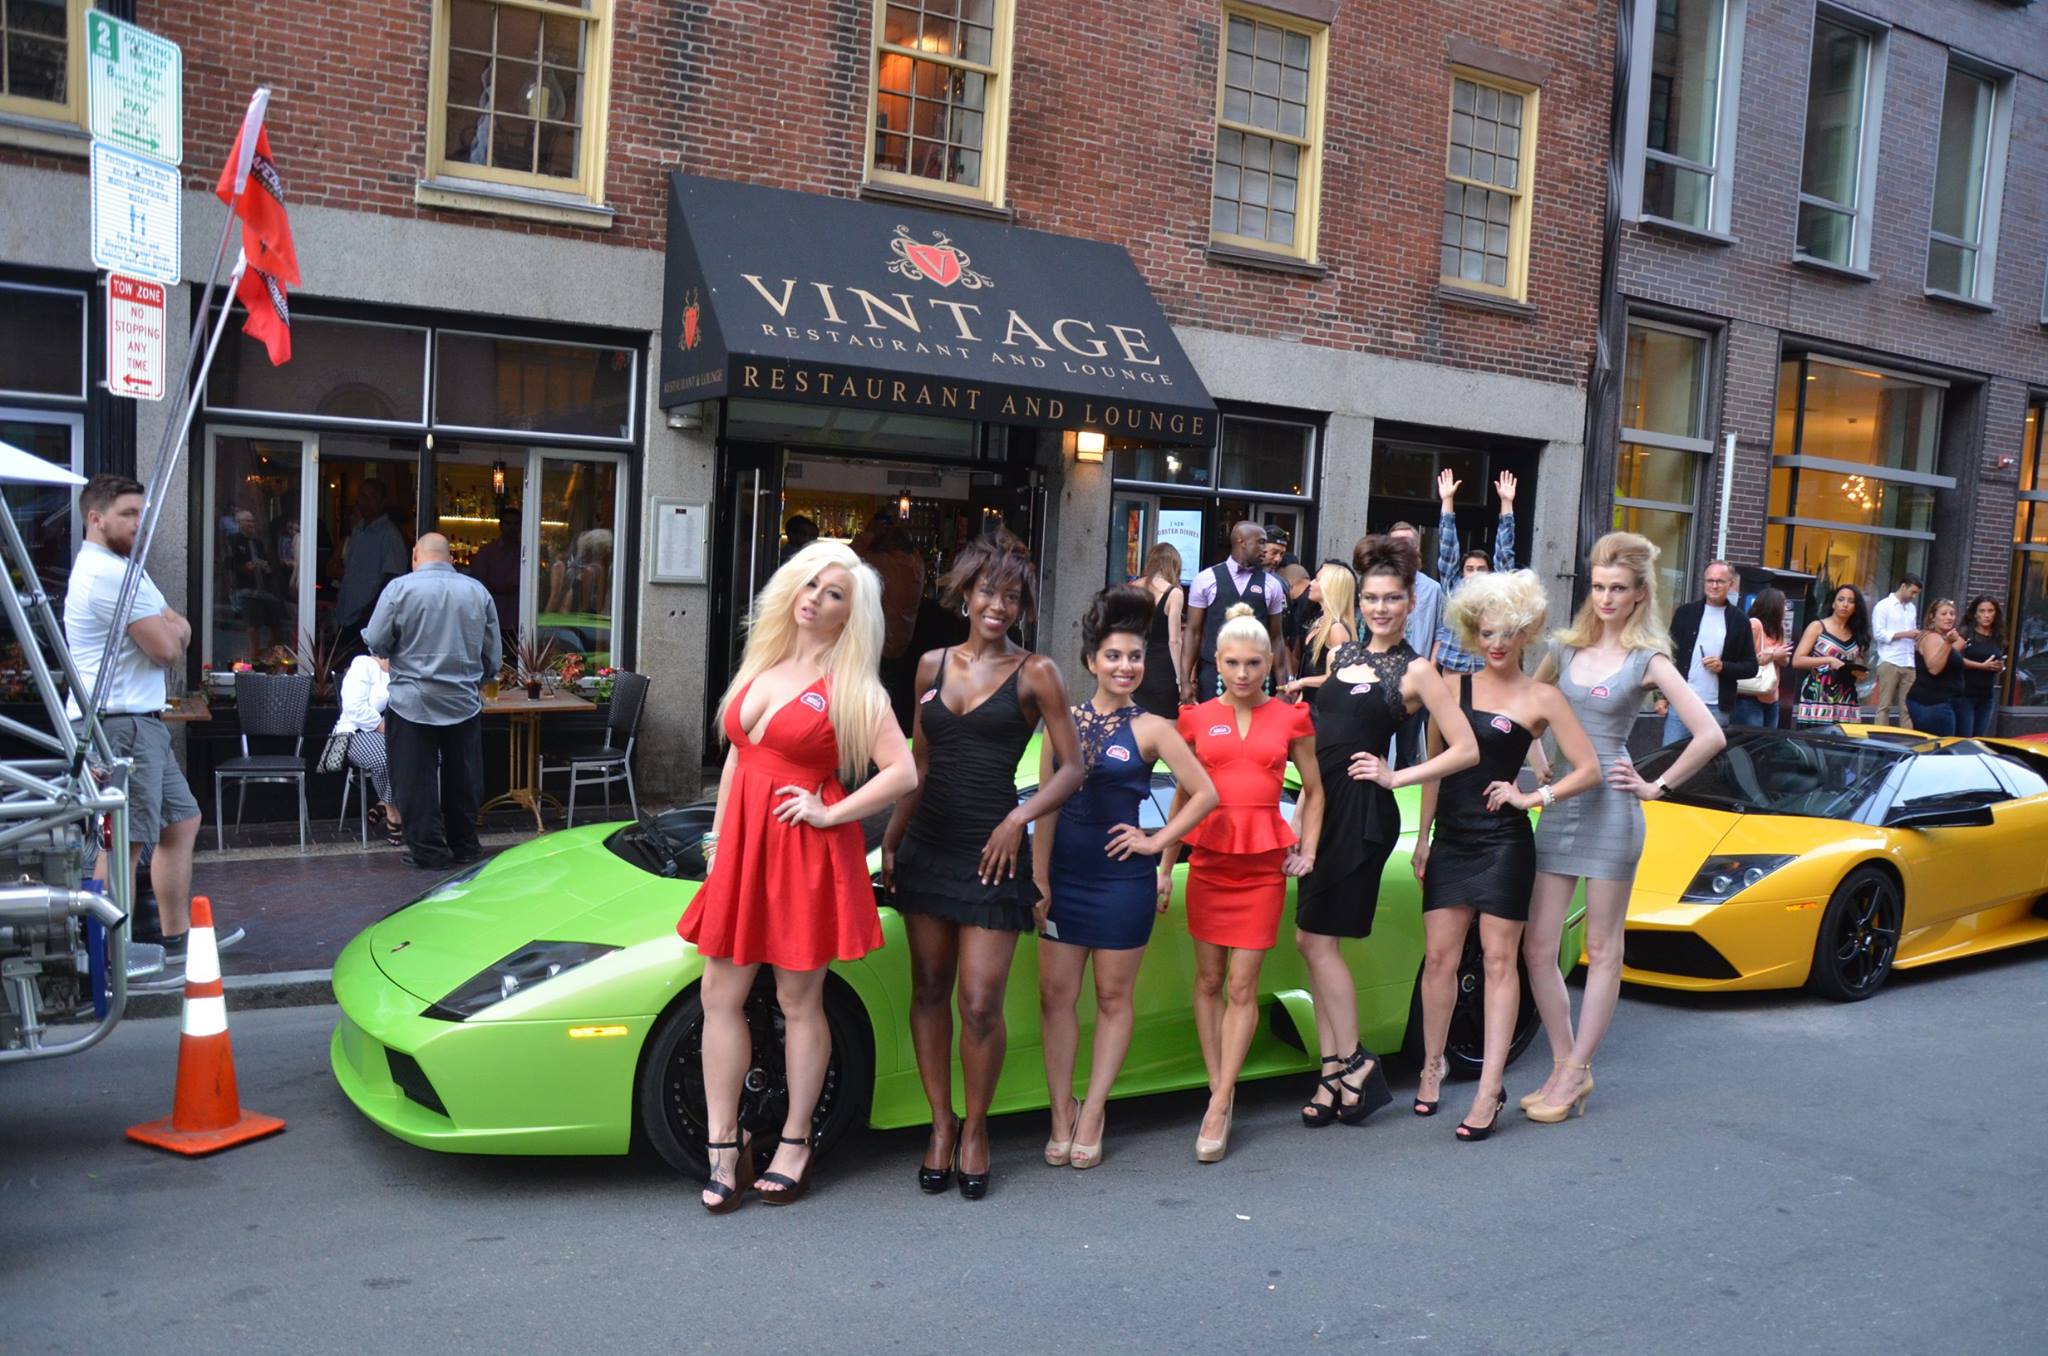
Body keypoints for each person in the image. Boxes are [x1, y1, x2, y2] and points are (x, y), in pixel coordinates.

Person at [677, 541, 917, 1213]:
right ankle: (724, 1144)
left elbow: (903, 772)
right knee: (719, 994)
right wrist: (718, 840)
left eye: (834, 593)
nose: (816, 597)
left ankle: (794, 1142)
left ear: (850, 614)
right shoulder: (765, 659)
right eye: (810, 583)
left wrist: (829, 811)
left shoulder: (853, 687)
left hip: (802, 853)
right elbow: (738, 758)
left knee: (798, 1001)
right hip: (742, 851)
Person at [880, 532, 1085, 1200]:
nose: (999, 605)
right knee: (929, 988)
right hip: (927, 846)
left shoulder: (1037, 672)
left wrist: (1017, 820)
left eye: (1013, 596)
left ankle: (976, 1129)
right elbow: (918, 760)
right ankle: (940, 1125)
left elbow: (1072, 768)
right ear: (966, 593)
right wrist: (892, 838)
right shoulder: (929, 665)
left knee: (979, 1002)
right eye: (989, 591)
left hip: (994, 853)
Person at [1521, 532, 1724, 1124]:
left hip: (1613, 809)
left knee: (1604, 947)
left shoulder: (1647, 659)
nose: (1605, 598)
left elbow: (1710, 734)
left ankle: (1575, 1070)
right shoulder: (1565, 647)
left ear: (1639, 595)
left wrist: (1657, 785)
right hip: (1561, 803)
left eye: (1617, 588)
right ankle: (1565, 1063)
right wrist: (1538, 762)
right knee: (1538, 946)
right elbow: (1529, 714)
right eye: (1598, 586)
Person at [1032, 587, 1218, 1170]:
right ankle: (1061, 1111)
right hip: (1063, 880)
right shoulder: (1060, 723)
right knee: (1056, 998)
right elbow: (1045, 805)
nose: (1125, 666)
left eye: (1135, 656)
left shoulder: (1154, 728)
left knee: (1113, 999)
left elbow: (1206, 793)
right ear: (1091, 661)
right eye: (1113, 656)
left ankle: (1093, 1113)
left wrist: (1157, 842)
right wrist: (1038, 879)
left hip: (1121, 887)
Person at [1294, 539, 1475, 1130]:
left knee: (1318, 942)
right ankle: (1333, 1075)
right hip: (1322, 810)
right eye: (1371, 597)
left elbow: (1464, 748)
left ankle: (1354, 1063)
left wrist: (1396, 776)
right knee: (1312, 943)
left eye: (1392, 598)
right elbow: (1327, 733)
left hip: (1363, 815)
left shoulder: (1417, 670)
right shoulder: (1343, 653)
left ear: (1410, 603)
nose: (1380, 608)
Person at [1413, 571, 1598, 1141]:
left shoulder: (1541, 697)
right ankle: (1431, 1067)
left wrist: (1532, 797)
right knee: (1439, 960)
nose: (1496, 643)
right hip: (1452, 840)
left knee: (1499, 962)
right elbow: (1434, 770)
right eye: (1487, 631)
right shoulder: (1449, 686)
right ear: (1473, 631)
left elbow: (1588, 769)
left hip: (1504, 843)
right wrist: (1422, 837)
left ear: (1527, 633)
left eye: (1508, 632)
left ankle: (1489, 1088)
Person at [1162, 602, 1324, 1162]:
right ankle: (1221, 1090)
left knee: (1240, 986)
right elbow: (1182, 796)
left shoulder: (1292, 717)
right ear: (1216, 661)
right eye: (1232, 662)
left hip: (1262, 870)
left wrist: (1307, 849)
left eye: (1254, 663)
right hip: (1209, 862)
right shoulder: (1194, 717)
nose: (1243, 673)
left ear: (1269, 663)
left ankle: (1218, 1102)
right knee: (1209, 981)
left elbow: (1316, 791)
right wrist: (1164, 867)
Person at [64, 475, 238, 969]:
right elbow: (167, 646)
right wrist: (172, 630)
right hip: (120, 724)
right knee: (125, 840)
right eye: (127, 514)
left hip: (141, 722)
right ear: (96, 518)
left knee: (181, 820)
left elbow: (177, 624)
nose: (138, 524)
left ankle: (175, 936)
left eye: (141, 514)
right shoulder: (108, 576)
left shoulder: (125, 570)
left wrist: (172, 627)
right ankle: (104, 953)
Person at [362, 533, 500, 871]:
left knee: (414, 780)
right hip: (462, 701)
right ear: (451, 558)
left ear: (415, 556)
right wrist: (480, 678)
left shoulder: (399, 590)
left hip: (412, 701)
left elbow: (377, 641)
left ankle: (428, 851)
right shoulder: (477, 592)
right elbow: (492, 655)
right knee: (463, 778)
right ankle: (465, 845)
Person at [1182, 521, 1289, 703]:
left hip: (1256, 676)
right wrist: (1185, 681)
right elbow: (1193, 632)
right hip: (1213, 674)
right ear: (1242, 541)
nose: (1264, 549)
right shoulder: (1206, 579)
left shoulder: (1272, 585)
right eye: (1260, 542)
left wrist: (1281, 686)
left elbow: (1276, 637)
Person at [1659, 560, 1759, 743]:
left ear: (1730, 584)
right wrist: (1661, 696)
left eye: (1720, 581)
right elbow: (1668, 656)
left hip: (1716, 707)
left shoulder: (1740, 620)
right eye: (1710, 580)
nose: (1714, 585)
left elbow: (1751, 667)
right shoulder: (1685, 613)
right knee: (1670, 755)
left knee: (1709, 759)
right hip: (1681, 701)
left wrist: (1723, 667)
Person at [1432, 469, 1518, 673]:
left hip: (1484, 670)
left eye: (1481, 569)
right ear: (1462, 573)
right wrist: (1447, 500)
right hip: (1453, 669)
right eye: (1469, 569)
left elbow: (1505, 553)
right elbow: (1447, 546)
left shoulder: (1497, 593)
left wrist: (1507, 503)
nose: (1475, 573)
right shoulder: (1454, 587)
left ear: (1490, 573)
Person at [1372, 522, 1442, 766]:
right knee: (1375, 744)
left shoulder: (1433, 589)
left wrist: (1431, 667)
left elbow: (1440, 631)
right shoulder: (1378, 584)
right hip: (1381, 674)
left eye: (1407, 543)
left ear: (1417, 548)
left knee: (1407, 748)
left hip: (1416, 676)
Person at [854, 515, 926, 735]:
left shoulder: (885, 563)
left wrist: (870, 532)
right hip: (902, 643)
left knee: (874, 696)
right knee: (893, 693)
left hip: (880, 644)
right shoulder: (916, 563)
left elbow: (850, 556)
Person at [332, 653, 403, 847]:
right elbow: (354, 707)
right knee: (385, 757)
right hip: (359, 731)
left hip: (399, 731)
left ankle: (384, 802)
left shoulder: (409, 668)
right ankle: (392, 811)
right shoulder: (364, 664)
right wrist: (384, 727)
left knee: (431, 754)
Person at [332, 479, 409, 654]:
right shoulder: (358, 530)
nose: (366, 501)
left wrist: (371, 611)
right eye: (362, 496)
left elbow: (392, 579)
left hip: (369, 617)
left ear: (382, 501)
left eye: (372, 496)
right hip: (346, 613)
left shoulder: (389, 535)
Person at [1277, 559, 1358, 696]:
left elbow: (1339, 676)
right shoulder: (1319, 621)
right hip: (1308, 701)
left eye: (1317, 580)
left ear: (1330, 587)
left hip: (1323, 704)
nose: (1311, 583)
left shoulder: (1337, 629)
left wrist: (1302, 682)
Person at [1792, 585, 1870, 726]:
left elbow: (1858, 666)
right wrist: (1829, 660)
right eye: (1841, 599)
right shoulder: (1817, 626)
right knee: (1815, 736)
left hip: (1846, 694)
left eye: (1851, 601)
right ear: (1833, 603)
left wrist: (1860, 674)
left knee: (1845, 737)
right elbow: (1797, 660)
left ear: (1856, 607)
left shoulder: (1857, 633)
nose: (1845, 604)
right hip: (1818, 691)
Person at [1131, 542, 1186, 716]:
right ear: (1174, 565)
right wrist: (1181, 679)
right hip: (1164, 667)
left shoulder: (1132, 586)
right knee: (1167, 722)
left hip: (1136, 663)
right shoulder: (1174, 593)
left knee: (1139, 721)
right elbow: (1174, 641)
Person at [223, 506, 286, 655]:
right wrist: (243, 567)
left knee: (276, 622)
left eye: (252, 521)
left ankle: (271, 654)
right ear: (239, 523)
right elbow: (228, 563)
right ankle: (253, 656)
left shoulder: (258, 543)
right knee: (252, 625)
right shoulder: (233, 541)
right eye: (248, 521)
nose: (252, 524)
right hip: (246, 589)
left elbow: (265, 561)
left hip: (263, 589)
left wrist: (267, 568)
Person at [1732, 588, 1794, 729]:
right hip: (1749, 695)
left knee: (1768, 739)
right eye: (1783, 604)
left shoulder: (1779, 628)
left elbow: (1785, 661)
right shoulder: (1754, 625)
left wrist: (1776, 654)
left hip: (1771, 694)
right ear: (1773, 606)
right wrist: (1773, 654)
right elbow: (1742, 659)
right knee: (1750, 738)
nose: (1786, 608)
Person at [1869, 574, 1924, 726]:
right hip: (1890, 660)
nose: (1914, 596)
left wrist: (1915, 636)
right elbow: (1878, 633)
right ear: (1903, 586)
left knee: (1908, 707)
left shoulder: (1911, 608)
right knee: (1884, 705)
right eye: (1912, 592)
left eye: (1916, 594)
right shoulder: (1883, 606)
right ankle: (1879, 736)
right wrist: (1906, 634)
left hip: (1908, 661)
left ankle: (1908, 736)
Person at [1907, 599, 1967, 737]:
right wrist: (1948, 643)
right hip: (1934, 703)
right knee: (1940, 747)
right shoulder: (1932, 638)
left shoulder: (1941, 637)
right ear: (1932, 617)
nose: (1949, 617)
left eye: (1952, 614)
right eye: (1944, 614)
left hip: (1941, 701)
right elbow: (1934, 668)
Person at [469, 507, 522, 639]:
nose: (512, 527)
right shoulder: (487, 552)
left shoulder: (526, 553)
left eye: (516, 524)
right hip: (493, 615)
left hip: (520, 617)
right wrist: (497, 589)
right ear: (500, 525)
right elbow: (477, 583)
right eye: (508, 523)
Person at [1958, 596, 2007, 738]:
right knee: (1965, 739)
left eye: (1990, 611)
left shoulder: (1997, 635)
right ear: (1975, 613)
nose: (1987, 615)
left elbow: (1998, 659)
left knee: (1978, 739)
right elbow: (1953, 659)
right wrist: (1980, 666)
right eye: (1982, 611)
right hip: (1965, 694)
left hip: (1986, 695)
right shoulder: (1966, 633)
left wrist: (2000, 667)